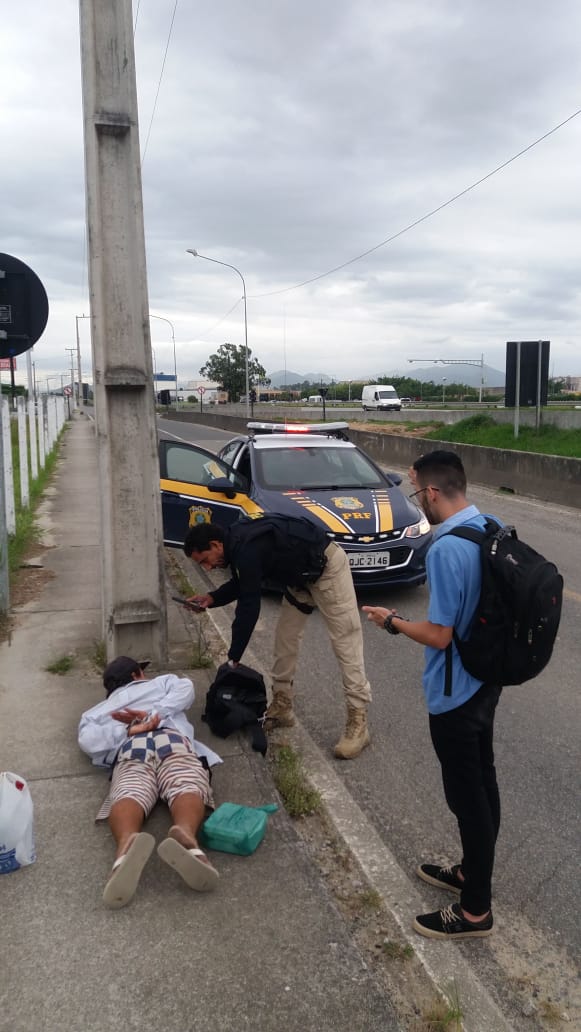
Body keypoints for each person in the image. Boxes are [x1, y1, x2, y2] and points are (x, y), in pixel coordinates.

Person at [363, 450, 502, 940]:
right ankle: (472, 873)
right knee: (482, 780)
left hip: (455, 691)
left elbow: (440, 635)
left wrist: (393, 621)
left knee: (468, 797)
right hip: (488, 679)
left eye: (416, 491)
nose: (416, 499)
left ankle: (474, 912)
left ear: (434, 493)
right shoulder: (490, 524)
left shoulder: (445, 549)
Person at [183, 517, 372, 760]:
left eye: (205, 560)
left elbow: (249, 605)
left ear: (215, 544)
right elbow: (243, 582)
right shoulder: (236, 544)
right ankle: (283, 706)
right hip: (299, 580)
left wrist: (233, 659)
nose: (208, 567)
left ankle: (358, 721)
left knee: (345, 643)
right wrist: (211, 598)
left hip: (327, 570)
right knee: (285, 640)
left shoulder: (245, 547)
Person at [78, 656, 222, 909]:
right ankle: (186, 832)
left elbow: (88, 742)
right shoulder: (163, 683)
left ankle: (125, 845)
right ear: (136, 675)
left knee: (129, 790)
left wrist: (127, 730)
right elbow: (186, 688)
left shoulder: (97, 711)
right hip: (171, 738)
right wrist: (155, 714)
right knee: (185, 782)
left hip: (132, 746)